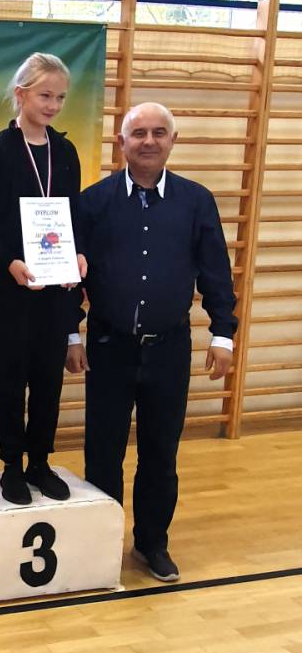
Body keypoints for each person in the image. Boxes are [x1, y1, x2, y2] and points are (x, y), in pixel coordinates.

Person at [67, 102, 236, 583]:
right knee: (103, 452)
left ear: (172, 141)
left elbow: (216, 273)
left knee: (160, 452)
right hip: (108, 346)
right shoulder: (93, 203)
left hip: (169, 348)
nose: (148, 141)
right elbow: (70, 275)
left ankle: (151, 544)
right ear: (121, 142)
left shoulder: (196, 201)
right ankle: (102, 545)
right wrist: (71, 332)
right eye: (138, 133)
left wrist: (223, 334)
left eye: (159, 133)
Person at [0, 53, 86, 505]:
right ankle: (12, 466)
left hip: (57, 283)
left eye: (60, 98)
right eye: (45, 95)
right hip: (12, 283)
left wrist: (78, 255)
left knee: (49, 375)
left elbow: (73, 216)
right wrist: (8, 261)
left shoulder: (65, 152)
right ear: (21, 94)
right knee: (13, 374)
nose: (53, 105)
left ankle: (40, 462)